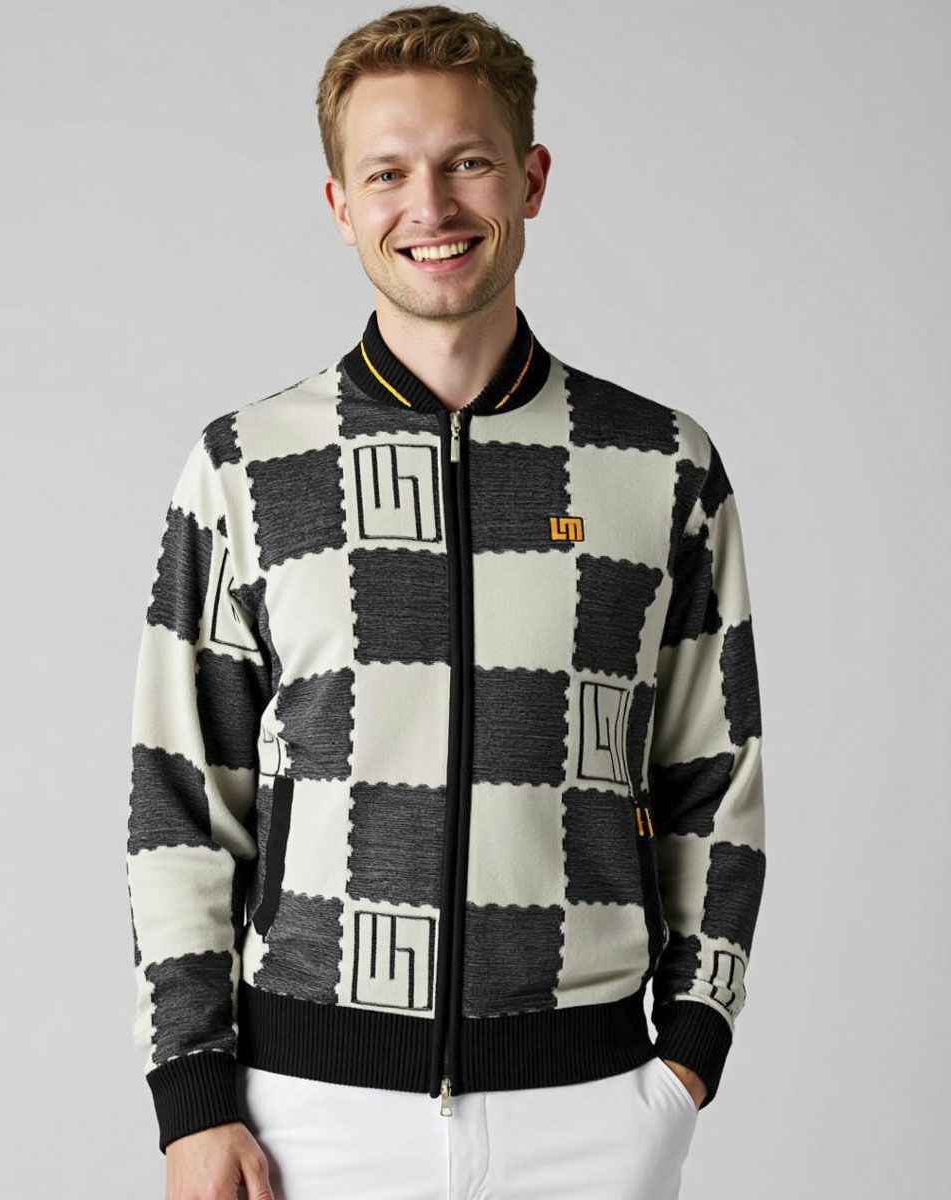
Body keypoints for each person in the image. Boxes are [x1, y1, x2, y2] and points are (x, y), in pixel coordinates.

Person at [125, 6, 767, 1199]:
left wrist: (688, 1054)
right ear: (340, 205)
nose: (430, 205)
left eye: (467, 161)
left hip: (589, 1108)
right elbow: (182, 799)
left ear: (530, 178)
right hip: (305, 1113)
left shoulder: (658, 465)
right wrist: (192, 1100)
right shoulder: (245, 469)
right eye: (388, 173)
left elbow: (713, 779)